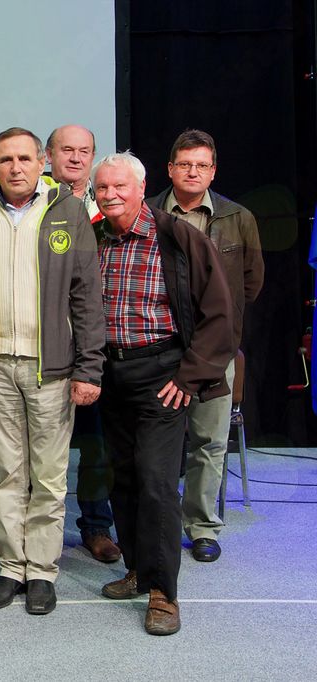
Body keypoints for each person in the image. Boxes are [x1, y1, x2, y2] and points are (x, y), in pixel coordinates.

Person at [0, 127, 104, 616]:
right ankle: (10, 567)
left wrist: (90, 367)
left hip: (53, 369)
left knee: (49, 477)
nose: (15, 167)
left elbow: (87, 295)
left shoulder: (68, 209)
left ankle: (41, 571)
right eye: (5, 160)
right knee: (6, 474)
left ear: (42, 162)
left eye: (24, 158)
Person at [93, 151, 234, 635]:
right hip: (110, 374)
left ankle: (163, 593)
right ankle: (137, 569)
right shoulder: (95, 238)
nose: (110, 195)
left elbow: (220, 313)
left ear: (141, 188)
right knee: (124, 478)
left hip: (163, 377)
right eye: (102, 188)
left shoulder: (177, 236)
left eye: (120, 187)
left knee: (156, 482)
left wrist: (189, 377)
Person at [147, 129, 264, 563]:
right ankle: (153, 524)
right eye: (185, 164)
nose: (192, 172)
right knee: (155, 443)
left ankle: (200, 526)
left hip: (215, 348)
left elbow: (250, 283)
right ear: (170, 169)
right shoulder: (148, 212)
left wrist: (218, 325)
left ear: (213, 171)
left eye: (201, 165)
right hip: (159, 345)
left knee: (210, 440)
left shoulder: (238, 217)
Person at [45, 124, 119, 563]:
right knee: (38, 450)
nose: (75, 158)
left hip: (94, 346)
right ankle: (36, 534)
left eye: (84, 151)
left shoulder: (109, 207)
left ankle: (96, 526)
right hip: (45, 346)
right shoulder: (33, 205)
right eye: (66, 150)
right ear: (48, 156)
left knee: (95, 445)